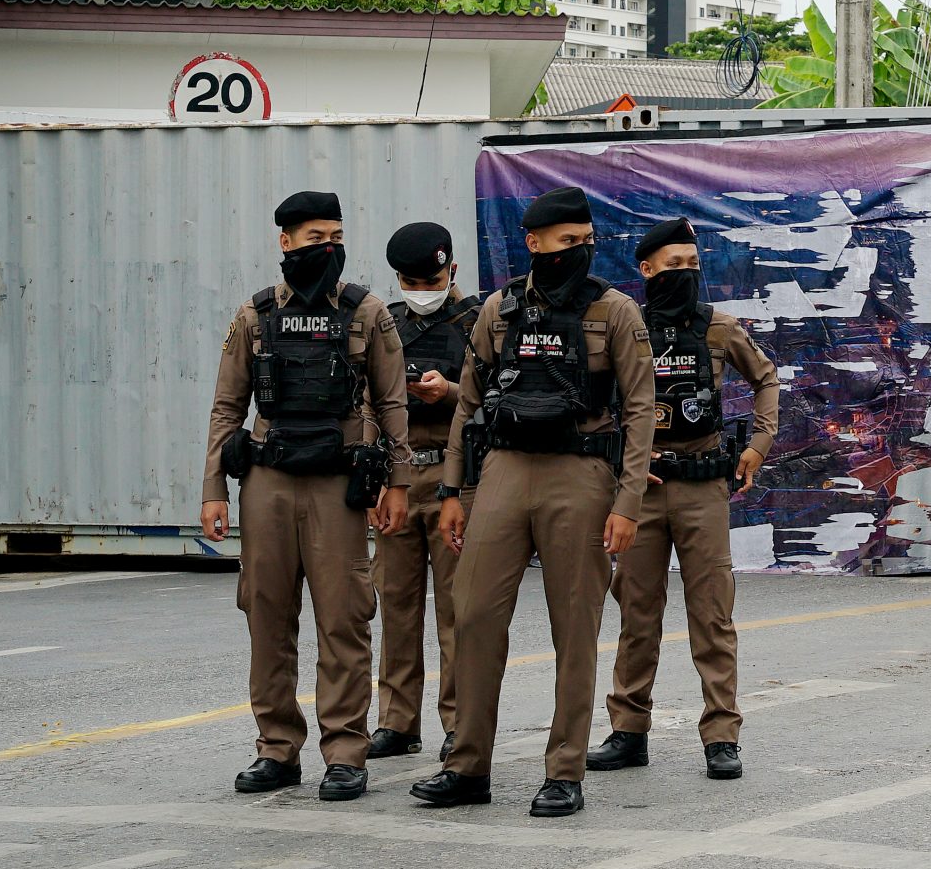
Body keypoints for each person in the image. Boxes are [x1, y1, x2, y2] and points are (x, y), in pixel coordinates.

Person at [409, 186, 655, 819]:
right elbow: (468, 403)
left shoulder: (616, 311)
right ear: (535, 244)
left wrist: (627, 501)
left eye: (586, 240)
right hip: (504, 472)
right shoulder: (499, 309)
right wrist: (455, 492)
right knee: (473, 615)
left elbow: (640, 411)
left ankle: (564, 769)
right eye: (566, 241)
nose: (579, 251)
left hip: (580, 474)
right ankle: (467, 765)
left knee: (575, 626)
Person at [201, 190, 414, 801]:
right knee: (266, 615)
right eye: (317, 237)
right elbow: (227, 406)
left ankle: (346, 751)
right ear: (285, 242)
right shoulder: (255, 315)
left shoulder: (366, 312)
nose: (328, 248)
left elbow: (393, 402)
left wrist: (398, 482)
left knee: (344, 618)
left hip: (338, 486)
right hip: (266, 482)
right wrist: (214, 487)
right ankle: (276, 749)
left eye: (336, 236)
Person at [589, 218, 780, 781]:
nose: (686, 275)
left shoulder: (718, 329)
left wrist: (760, 445)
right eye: (674, 266)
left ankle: (721, 735)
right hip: (641, 493)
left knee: (712, 614)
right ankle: (628, 731)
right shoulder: (628, 329)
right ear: (646, 270)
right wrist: (618, 463)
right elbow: (597, 401)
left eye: (693, 266)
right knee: (637, 613)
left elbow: (766, 376)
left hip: (702, 488)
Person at [368, 222, 481, 763]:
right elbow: (366, 402)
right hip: (398, 477)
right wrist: (373, 480)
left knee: (459, 610)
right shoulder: (384, 322)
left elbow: (495, 398)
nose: (421, 289)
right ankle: (397, 720)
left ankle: (460, 722)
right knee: (396, 603)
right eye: (410, 281)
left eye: (431, 279)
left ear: (452, 269)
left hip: (455, 481)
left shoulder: (478, 321)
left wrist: (450, 391)